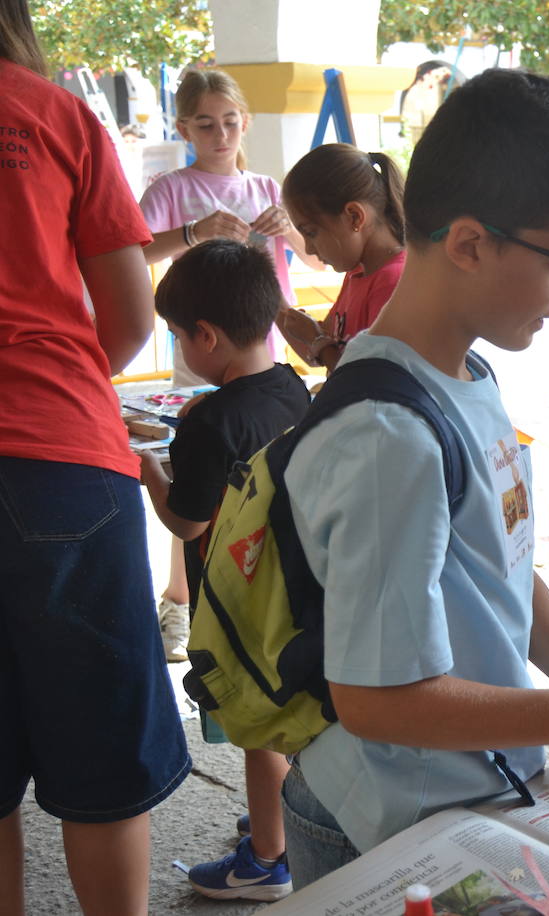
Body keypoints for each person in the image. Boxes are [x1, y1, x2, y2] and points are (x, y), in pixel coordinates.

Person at [278, 68, 549, 887]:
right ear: (470, 243)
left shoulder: (467, 372)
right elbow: (375, 699)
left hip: (462, 790)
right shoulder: (385, 436)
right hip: (380, 821)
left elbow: (506, 567)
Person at [0, 3, 191, 913]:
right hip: (65, 458)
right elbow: (130, 315)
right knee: (104, 757)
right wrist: (68, 381)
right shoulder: (54, 113)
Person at [140, 240, 310, 901]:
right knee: (291, 718)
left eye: (179, 335)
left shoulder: (208, 421)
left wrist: (153, 474)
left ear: (205, 336)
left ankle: (268, 858)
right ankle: (289, 817)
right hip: (292, 588)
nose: (182, 344)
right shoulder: (292, 387)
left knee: (255, 729)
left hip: (236, 604)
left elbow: (187, 524)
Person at [139, 66, 312, 661]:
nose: (220, 135)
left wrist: (289, 229)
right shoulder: (171, 189)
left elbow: (317, 260)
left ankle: (261, 587)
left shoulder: (267, 189)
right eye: (206, 124)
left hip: (266, 349)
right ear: (185, 127)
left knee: (266, 474)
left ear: (247, 123)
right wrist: (192, 232)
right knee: (198, 474)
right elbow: (132, 251)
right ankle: (180, 602)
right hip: (204, 351)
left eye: (230, 122)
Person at [277, 143, 407, 373]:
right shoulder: (358, 272)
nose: (308, 249)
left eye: (311, 232)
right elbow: (322, 353)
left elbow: (372, 384)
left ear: (355, 217)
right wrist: (272, 300)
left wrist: (318, 342)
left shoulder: (393, 281)